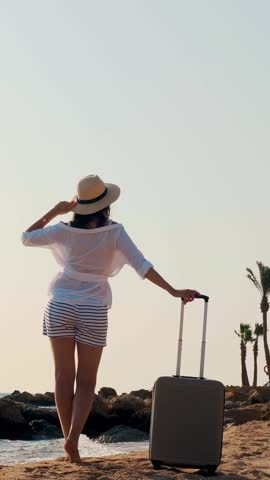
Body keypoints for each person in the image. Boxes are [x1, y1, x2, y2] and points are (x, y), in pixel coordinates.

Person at [21, 174, 200, 463]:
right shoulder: (115, 232)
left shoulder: (64, 230)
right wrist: (173, 291)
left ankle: (71, 446)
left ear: (78, 205)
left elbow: (26, 238)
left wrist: (55, 211)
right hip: (92, 309)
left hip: (60, 306)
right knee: (87, 381)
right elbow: (143, 265)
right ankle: (72, 441)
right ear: (105, 206)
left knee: (62, 378)